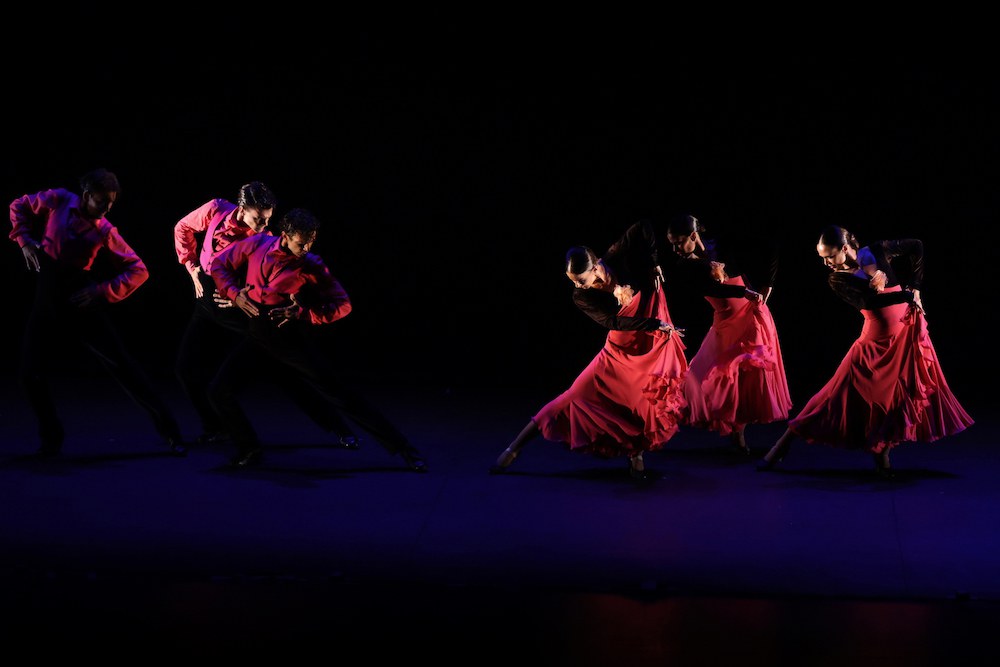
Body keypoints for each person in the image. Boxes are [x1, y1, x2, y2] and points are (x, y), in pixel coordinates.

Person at [207, 207, 427, 471]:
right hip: (257, 335)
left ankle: (404, 449)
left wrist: (303, 313)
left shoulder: (311, 264)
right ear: (285, 235)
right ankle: (249, 448)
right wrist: (234, 294)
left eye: (311, 241)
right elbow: (219, 264)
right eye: (302, 243)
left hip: (287, 339)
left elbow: (343, 304)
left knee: (340, 395)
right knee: (218, 391)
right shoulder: (257, 243)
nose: (307, 247)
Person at [757, 225, 973, 477]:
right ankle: (780, 446)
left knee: (898, 397)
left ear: (846, 248)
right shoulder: (837, 278)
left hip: (904, 337)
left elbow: (917, 245)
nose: (826, 263)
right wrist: (905, 296)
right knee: (832, 396)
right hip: (873, 345)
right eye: (822, 257)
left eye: (829, 255)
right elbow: (871, 302)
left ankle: (882, 457)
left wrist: (915, 287)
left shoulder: (877, 250)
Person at [489, 219, 688, 480]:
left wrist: (653, 262)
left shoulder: (616, 258)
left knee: (642, 398)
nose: (577, 285)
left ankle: (636, 455)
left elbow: (643, 227)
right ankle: (514, 448)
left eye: (581, 280)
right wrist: (654, 324)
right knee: (574, 395)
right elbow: (612, 322)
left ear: (595, 267)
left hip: (648, 341)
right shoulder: (581, 296)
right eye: (573, 280)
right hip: (620, 348)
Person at [8, 168, 186, 456]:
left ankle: (172, 433)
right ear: (87, 195)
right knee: (29, 372)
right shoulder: (60, 200)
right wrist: (25, 240)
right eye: (103, 201)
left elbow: (139, 270)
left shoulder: (104, 230)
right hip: (47, 294)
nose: (107, 208)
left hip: (79, 300)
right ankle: (52, 438)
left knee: (124, 367)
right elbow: (20, 205)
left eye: (112, 202)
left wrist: (100, 291)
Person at [173, 181, 361, 449]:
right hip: (206, 303)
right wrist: (191, 266)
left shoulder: (263, 239)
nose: (261, 226)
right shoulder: (215, 209)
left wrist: (239, 297)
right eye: (258, 219)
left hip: (240, 309)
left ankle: (337, 426)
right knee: (185, 367)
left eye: (267, 220)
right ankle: (216, 427)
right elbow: (183, 228)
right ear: (241, 208)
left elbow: (266, 281)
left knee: (283, 370)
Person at [665, 214, 792, 454]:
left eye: (679, 242)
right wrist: (744, 291)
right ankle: (724, 427)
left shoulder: (723, 245)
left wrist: (768, 283)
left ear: (694, 236)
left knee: (744, 375)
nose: (675, 249)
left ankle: (739, 434)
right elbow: (710, 287)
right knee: (700, 374)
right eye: (672, 243)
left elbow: (771, 244)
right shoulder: (686, 265)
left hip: (751, 316)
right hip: (725, 322)